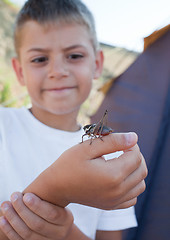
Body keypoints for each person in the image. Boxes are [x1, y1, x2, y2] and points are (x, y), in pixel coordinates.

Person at [0, 0, 147, 239]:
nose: (58, 70)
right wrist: (56, 189)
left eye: (74, 55)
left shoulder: (112, 162)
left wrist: (66, 232)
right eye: (40, 59)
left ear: (97, 64)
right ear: (19, 72)